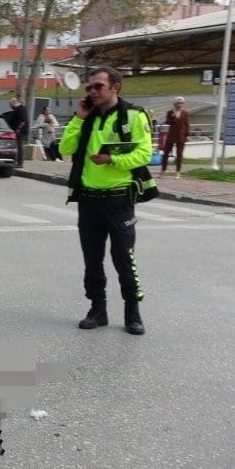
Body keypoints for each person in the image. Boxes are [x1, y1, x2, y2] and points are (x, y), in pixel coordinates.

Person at [58, 66, 152, 336]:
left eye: (98, 86)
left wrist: (113, 159)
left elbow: (144, 154)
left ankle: (132, 311)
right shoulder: (87, 117)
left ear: (115, 87)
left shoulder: (133, 116)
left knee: (124, 256)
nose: (92, 91)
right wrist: (78, 118)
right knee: (92, 259)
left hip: (119, 198)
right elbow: (65, 148)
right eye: (90, 87)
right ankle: (97, 309)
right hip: (88, 199)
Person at [160, 96, 190, 178]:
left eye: (182, 103)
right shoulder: (170, 112)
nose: (180, 105)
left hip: (181, 135)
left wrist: (187, 135)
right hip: (171, 135)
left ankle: (178, 172)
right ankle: (163, 170)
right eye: (178, 103)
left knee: (179, 154)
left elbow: (187, 125)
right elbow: (167, 122)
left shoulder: (185, 113)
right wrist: (173, 116)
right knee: (166, 153)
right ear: (175, 104)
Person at [6, 98, 29, 166]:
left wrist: (18, 129)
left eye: (10, 105)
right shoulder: (21, 109)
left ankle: (19, 162)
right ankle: (17, 161)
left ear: (13, 103)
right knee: (17, 146)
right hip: (18, 130)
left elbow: (23, 121)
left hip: (19, 131)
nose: (10, 107)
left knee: (19, 146)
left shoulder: (20, 109)